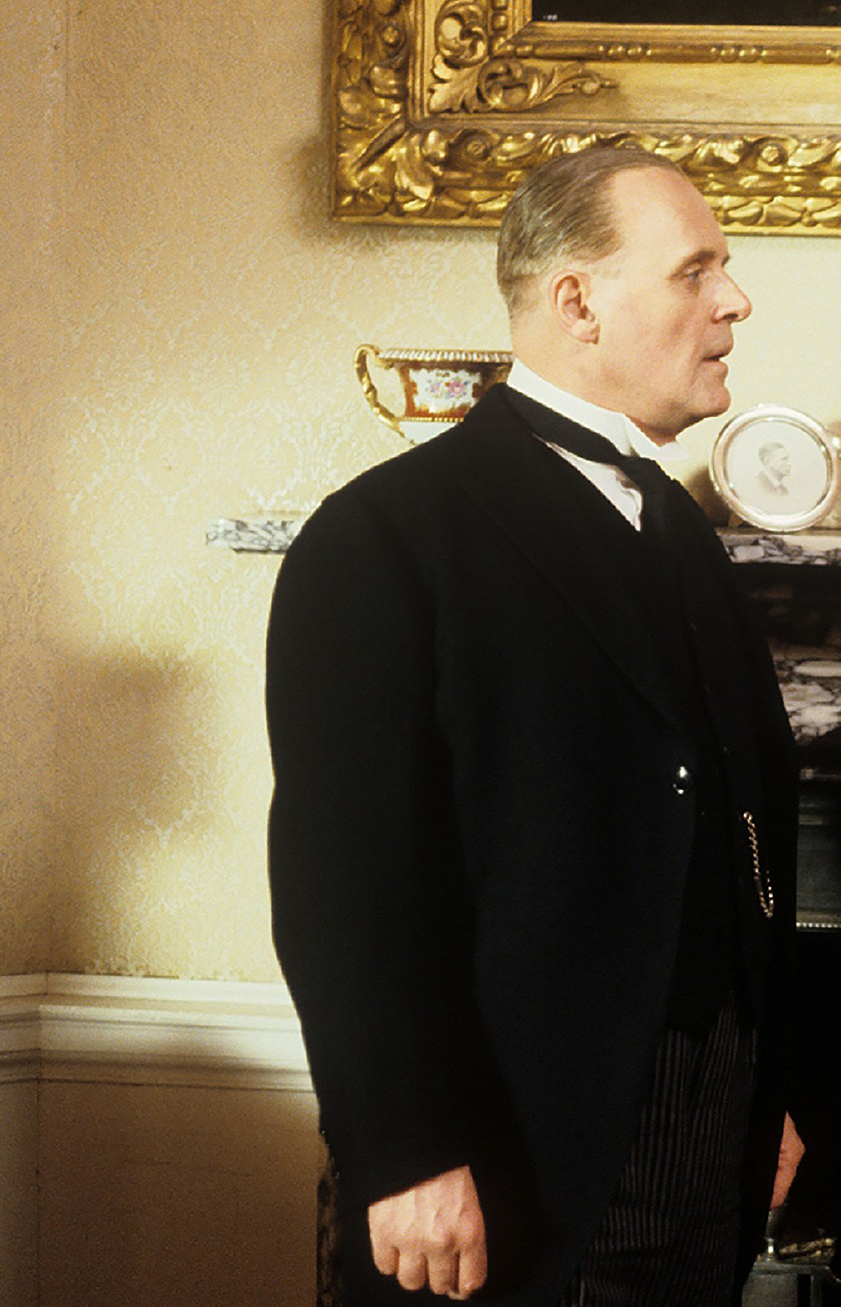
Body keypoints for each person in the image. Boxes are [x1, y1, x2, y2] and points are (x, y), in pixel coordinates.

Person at [268, 145, 804, 1306]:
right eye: (695, 271)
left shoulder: (683, 532)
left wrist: (765, 1085)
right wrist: (404, 1150)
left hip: (702, 1131)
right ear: (578, 303)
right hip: (510, 1148)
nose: (735, 301)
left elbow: (738, 827)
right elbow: (341, 884)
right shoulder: (385, 539)